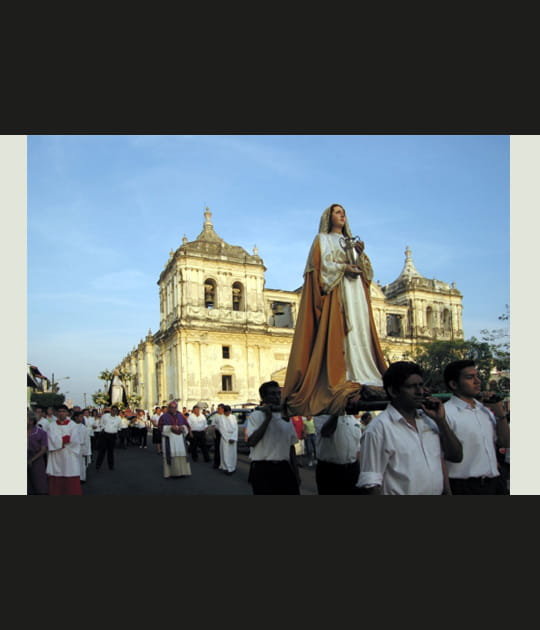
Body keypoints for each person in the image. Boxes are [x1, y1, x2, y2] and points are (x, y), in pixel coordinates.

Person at [282, 203, 388, 419]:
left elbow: (367, 274)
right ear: (328, 217)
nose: (342, 216)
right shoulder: (322, 239)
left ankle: (365, 371)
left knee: (359, 329)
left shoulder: (351, 242)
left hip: (356, 290)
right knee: (343, 333)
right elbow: (320, 268)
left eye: (344, 213)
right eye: (337, 212)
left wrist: (360, 256)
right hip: (338, 291)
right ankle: (346, 373)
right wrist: (343, 268)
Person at [357, 361, 463, 495]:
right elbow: (370, 484)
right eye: (412, 387)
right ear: (393, 391)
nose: (420, 392)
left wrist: (441, 421)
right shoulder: (379, 429)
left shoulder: (429, 421)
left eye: (421, 385)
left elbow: (456, 456)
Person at [442, 360, 510, 495]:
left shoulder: (483, 410)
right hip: (464, 486)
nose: (477, 381)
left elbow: (504, 443)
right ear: (454, 384)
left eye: (477, 376)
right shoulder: (445, 413)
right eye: (470, 377)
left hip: (494, 482)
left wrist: (500, 413)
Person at [246, 381, 300, 495]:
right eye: (272, 394)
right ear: (264, 397)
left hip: (284, 467)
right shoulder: (256, 416)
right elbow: (251, 441)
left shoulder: (286, 417)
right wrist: (268, 418)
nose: (276, 397)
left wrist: (296, 472)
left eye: (278, 393)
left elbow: (291, 447)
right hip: (263, 469)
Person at [313, 407, 364, 494]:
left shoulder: (353, 420)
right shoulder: (322, 414)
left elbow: (357, 449)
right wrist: (337, 412)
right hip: (330, 472)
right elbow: (326, 432)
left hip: (351, 470)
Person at [45, 404, 83, 495]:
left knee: (70, 473)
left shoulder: (73, 425)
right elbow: (50, 439)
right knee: (56, 475)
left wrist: (59, 440)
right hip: (56, 455)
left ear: (67, 413)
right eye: (59, 411)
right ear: (56, 413)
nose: (61, 413)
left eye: (63, 411)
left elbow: (75, 440)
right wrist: (65, 439)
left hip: (69, 454)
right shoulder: (51, 426)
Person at [158, 401, 192, 478]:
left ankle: (182, 472)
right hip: (170, 439)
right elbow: (160, 427)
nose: (173, 409)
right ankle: (172, 473)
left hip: (180, 439)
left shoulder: (181, 416)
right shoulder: (164, 417)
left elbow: (187, 425)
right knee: (172, 454)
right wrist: (170, 427)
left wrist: (183, 428)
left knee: (181, 454)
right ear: (169, 408)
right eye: (172, 407)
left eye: (175, 407)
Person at [27, 409, 49, 495]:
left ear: (31, 421)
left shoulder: (41, 432)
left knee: (38, 483)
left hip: (37, 459)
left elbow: (43, 449)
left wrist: (31, 460)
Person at [95, 405, 122, 471]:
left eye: (116, 411)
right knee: (102, 451)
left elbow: (119, 427)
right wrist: (103, 429)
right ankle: (98, 465)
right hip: (105, 435)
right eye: (113, 410)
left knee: (111, 452)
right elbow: (101, 423)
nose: (114, 412)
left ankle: (111, 466)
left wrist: (117, 433)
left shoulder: (118, 418)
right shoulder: (105, 416)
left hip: (113, 435)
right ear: (111, 410)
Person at [216, 405, 238, 475]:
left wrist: (233, 437)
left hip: (232, 437)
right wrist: (228, 438)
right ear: (224, 412)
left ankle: (233, 467)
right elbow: (222, 429)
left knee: (233, 454)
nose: (228, 414)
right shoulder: (221, 418)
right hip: (225, 438)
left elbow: (236, 428)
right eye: (226, 412)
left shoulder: (233, 417)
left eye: (229, 412)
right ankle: (227, 468)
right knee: (225, 453)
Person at [72, 410, 92, 483]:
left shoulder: (84, 428)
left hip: (81, 447)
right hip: (73, 447)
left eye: (82, 417)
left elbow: (87, 441)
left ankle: (82, 478)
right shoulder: (71, 426)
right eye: (80, 417)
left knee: (82, 464)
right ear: (75, 417)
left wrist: (87, 451)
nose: (81, 418)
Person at [211, 403, 225, 469]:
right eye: (218, 409)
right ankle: (216, 463)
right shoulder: (216, 416)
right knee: (217, 449)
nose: (218, 410)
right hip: (218, 433)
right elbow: (213, 425)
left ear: (223, 409)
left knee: (224, 449)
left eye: (219, 409)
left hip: (224, 434)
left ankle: (223, 463)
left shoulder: (225, 415)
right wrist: (214, 434)